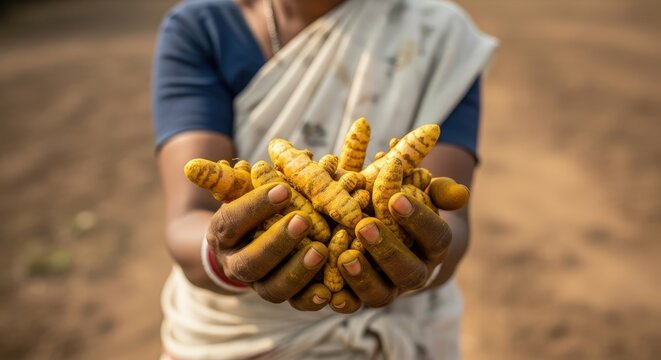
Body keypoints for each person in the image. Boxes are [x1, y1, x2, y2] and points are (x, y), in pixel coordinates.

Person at [152, 0, 496, 358]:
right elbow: (187, 217)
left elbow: (449, 225)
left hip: (397, 332)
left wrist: (424, 256)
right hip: (235, 336)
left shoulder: (439, 36)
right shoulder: (202, 27)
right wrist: (227, 258)